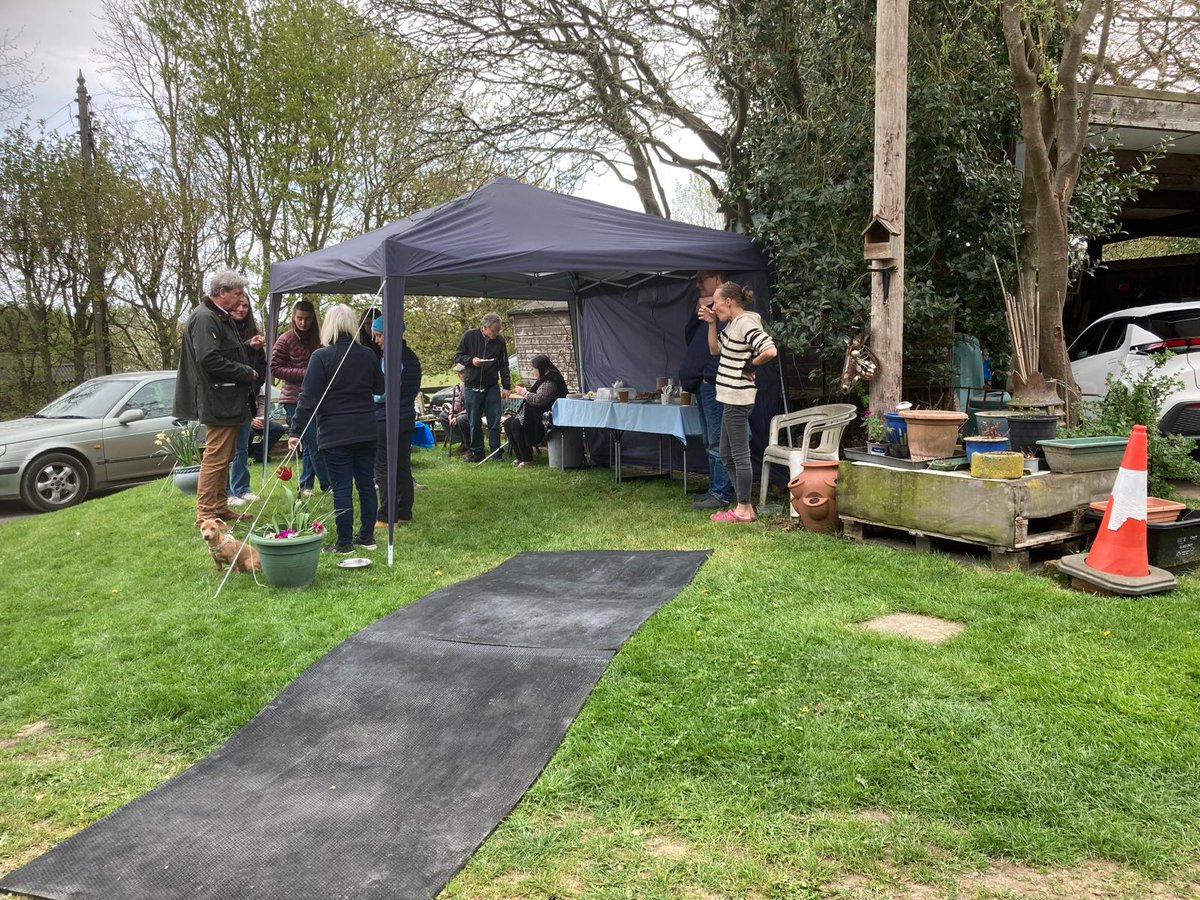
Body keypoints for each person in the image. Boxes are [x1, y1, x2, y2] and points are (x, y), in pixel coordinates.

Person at [288, 304, 384, 554]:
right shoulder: (368, 355)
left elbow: (307, 397)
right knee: (365, 483)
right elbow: (379, 388)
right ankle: (367, 537)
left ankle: (344, 543)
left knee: (341, 487)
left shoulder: (321, 356)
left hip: (335, 432)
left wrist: (295, 431)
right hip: (365, 429)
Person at [173, 270, 257, 526]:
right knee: (216, 457)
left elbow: (223, 351)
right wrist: (245, 371)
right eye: (237, 293)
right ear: (222, 292)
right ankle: (207, 513)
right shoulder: (205, 317)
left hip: (228, 399)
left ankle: (220, 508)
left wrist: (245, 349)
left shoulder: (218, 317)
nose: (241, 298)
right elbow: (208, 358)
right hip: (217, 400)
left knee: (225, 456)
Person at [699, 280, 777, 523]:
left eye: (716, 302)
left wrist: (749, 365)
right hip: (728, 397)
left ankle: (744, 508)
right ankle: (744, 506)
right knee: (726, 455)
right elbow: (715, 350)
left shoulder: (745, 322)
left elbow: (770, 350)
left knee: (739, 455)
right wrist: (712, 324)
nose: (714, 306)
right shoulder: (732, 324)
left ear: (729, 301)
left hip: (738, 398)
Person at [679, 270, 732, 511]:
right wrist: (697, 313)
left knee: (717, 438)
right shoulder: (710, 309)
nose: (699, 284)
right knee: (709, 437)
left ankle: (720, 492)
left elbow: (726, 347)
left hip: (712, 383)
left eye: (704, 279)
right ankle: (714, 488)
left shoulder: (727, 308)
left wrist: (710, 376)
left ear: (718, 279)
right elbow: (690, 338)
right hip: (701, 383)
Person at [271, 300, 329, 495]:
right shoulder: (285, 339)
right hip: (294, 398)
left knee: (309, 441)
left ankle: (306, 484)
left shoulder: (319, 339)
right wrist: (305, 373)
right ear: (293, 318)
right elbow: (274, 367)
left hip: (316, 397)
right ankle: (328, 484)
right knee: (313, 441)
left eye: (307, 319)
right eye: (299, 319)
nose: (303, 323)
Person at [369, 316, 422, 528]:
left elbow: (385, 391)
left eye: (379, 335)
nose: (376, 340)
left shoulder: (390, 358)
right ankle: (404, 510)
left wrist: (368, 395)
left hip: (387, 417)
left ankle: (386, 515)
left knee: (383, 467)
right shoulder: (411, 356)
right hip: (407, 415)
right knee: (402, 465)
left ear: (389, 334)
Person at [453, 312, 511, 462]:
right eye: (494, 330)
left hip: (491, 385)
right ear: (484, 328)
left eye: (499, 330)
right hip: (472, 385)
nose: (497, 333)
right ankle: (477, 452)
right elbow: (458, 356)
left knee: (494, 421)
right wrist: (471, 360)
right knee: (474, 422)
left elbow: (504, 364)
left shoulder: (500, 342)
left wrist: (506, 386)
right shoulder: (469, 336)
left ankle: (496, 453)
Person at [227, 294, 266, 506]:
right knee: (226, 449)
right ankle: (226, 491)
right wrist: (247, 346)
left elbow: (262, 366)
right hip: (226, 398)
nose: (241, 309)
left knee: (242, 447)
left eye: (245, 305)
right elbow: (225, 357)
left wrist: (255, 378)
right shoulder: (223, 328)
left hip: (247, 396)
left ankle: (242, 488)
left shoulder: (253, 333)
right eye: (238, 305)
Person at [506, 354, 568, 466]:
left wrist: (524, 393)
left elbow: (539, 400)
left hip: (546, 414)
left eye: (534, 368)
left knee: (516, 424)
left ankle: (527, 459)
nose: (532, 371)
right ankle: (520, 457)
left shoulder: (551, 381)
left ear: (541, 368)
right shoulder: (545, 378)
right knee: (508, 423)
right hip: (536, 411)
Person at [440, 364, 470, 450]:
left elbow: (471, 407)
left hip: (471, 413)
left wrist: (456, 417)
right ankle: (461, 440)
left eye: (460, 373)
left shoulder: (471, 386)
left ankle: (467, 444)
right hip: (461, 413)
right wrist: (451, 413)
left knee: (461, 419)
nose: (458, 376)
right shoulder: (462, 385)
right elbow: (457, 401)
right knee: (443, 416)